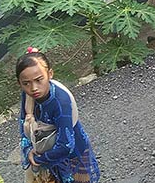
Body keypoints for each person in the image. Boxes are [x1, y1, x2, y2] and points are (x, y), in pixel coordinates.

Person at [17, 49, 100, 183]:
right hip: (44, 151)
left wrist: (37, 159)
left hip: (71, 154)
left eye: (39, 80)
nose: (33, 88)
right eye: (26, 83)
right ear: (19, 83)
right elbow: (23, 123)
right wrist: (28, 150)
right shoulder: (27, 96)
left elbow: (66, 145)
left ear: (50, 74)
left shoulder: (60, 102)